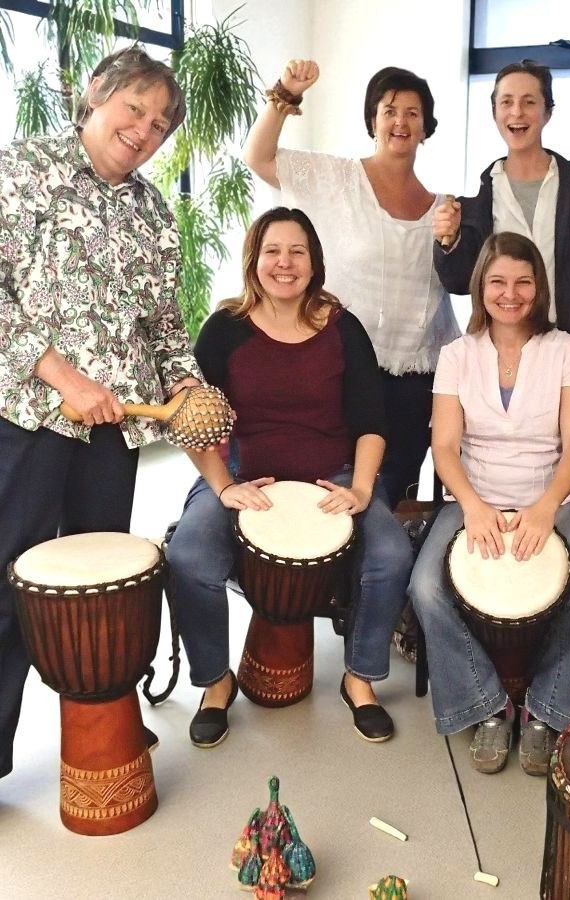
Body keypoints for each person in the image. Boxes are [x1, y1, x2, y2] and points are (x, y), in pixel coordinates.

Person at [0, 45, 202, 779]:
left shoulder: (151, 208)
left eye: (159, 124)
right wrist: (61, 376)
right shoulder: (23, 169)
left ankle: (98, 738)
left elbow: (164, 326)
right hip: (26, 419)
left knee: (94, 593)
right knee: (8, 585)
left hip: (108, 435)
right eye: (135, 109)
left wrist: (187, 386)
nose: (144, 130)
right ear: (96, 95)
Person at [165, 207, 414, 747]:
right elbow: (193, 421)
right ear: (254, 260)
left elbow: (372, 423)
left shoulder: (343, 327)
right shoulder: (224, 330)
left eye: (297, 251)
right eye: (272, 251)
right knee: (188, 556)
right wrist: (223, 486)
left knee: (392, 554)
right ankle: (214, 682)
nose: (285, 263)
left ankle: (360, 678)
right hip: (242, 469)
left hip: (335, 471)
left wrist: (363, 489)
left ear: (313, 262)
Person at [408, 232, 570, 776]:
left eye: (523, 281)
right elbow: (445, 446)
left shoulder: (568, 351)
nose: (510, 293)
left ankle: (546, 710)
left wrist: (546, 508)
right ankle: (490, 705)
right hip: (475, 496)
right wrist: (471, 506)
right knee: (425, 588)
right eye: (498, 281)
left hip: (554, 497)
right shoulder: (456, 355)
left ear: (538, 288)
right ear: (481, 287)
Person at [243, 60, 459, 509]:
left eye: (413, 113)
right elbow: (259, 157)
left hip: (414, 380)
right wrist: (286, 94)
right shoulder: (336, 179)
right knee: (333, 489)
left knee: (391, 497)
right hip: (337, 366)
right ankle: (325, 578)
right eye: (389, 110)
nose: (400, 121)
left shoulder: (445, 209)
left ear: (426, 127)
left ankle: (383, 575)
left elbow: (459, 280)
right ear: (372, 121)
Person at [432, 59, 570, 385]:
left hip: (568, 355)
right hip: (499, 358)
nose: (516, 112)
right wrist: (447, 240)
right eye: (506, 102)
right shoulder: (479, 201)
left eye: (529, 102)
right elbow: (460, 281)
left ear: (548, 112)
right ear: (494, 113)